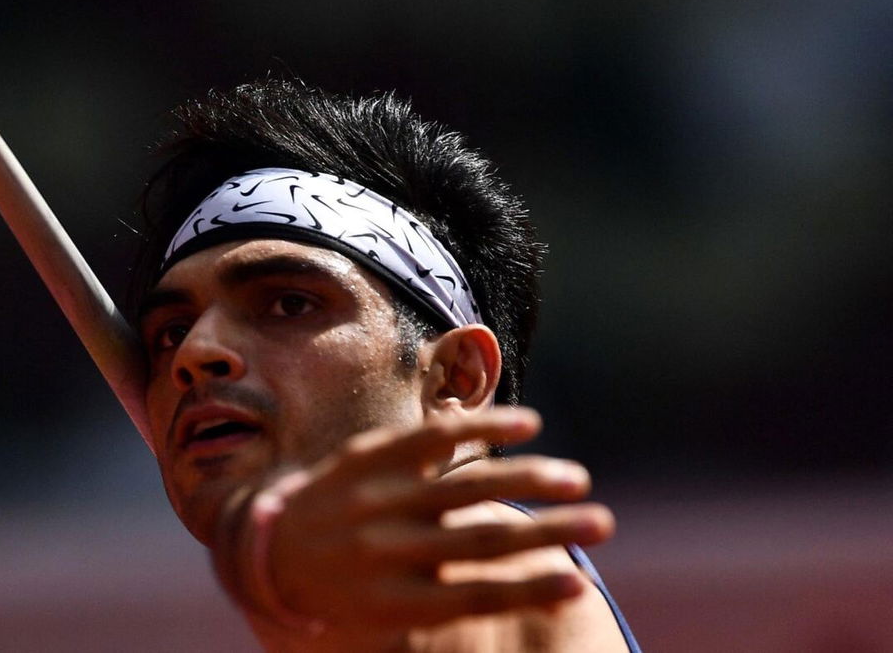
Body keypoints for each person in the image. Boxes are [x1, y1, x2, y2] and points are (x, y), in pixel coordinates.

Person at [128, 78, 640, 652]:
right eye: (172, 331)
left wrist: (288, 582)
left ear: (455, 378)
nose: (196, 353)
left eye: (290, 304)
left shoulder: (486, 550)